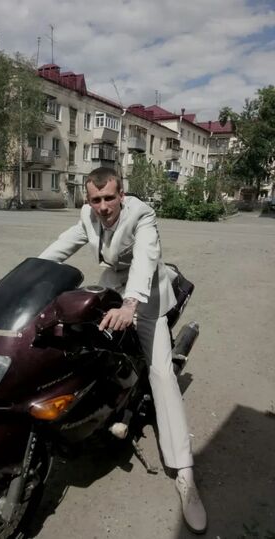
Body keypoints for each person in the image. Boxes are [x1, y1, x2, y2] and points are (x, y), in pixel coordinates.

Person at [39, 167, 207, 534]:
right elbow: (61, 246)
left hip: (146, 301)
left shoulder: (141, 215)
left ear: (122, 196)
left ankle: (185, 474)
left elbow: (145, 257)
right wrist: (27, 275)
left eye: (108, 198)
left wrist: (131, 305)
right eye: (95, 200)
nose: (102, 207)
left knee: (161, 374)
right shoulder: (88, 215)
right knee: (78, 344)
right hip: (112, 291)